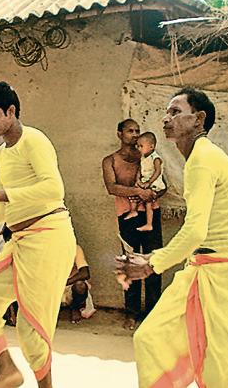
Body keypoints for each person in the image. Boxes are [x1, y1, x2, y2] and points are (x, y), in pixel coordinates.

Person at [117, 87, 228, 388]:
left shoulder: (203, 158)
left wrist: (152, 263)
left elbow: (195, 229)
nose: (166, 118)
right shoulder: (198, 158)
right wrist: (154, 260)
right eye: (167, 111)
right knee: (151, 339)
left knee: (222, 374)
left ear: (199, 119)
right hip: (204, 270)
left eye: (176, 112)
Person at [0, 81, 76, 388]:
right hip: (20, 240)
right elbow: (9, 211)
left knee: (31, 328)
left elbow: (54, 189)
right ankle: (7, 369)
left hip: (49, 236)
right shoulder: (2, 153)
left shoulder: (34, 140)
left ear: (11, 111)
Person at [102, 119, 163, 329]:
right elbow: (112, 188)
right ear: (119, 134)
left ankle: (153, 313)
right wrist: (139, 191)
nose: (135, 135)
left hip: (150, 214)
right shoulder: (110, 160)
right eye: (130, 131)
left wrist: (153, 193)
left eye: (137, 131)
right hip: (126, 215)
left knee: (154, 262)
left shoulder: (148, 157)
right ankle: (132, 312)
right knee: (130, 261)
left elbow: (163, 184)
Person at [125, 132, 166, 232]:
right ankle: (133, 211)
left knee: (148, 202)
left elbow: (158, 172)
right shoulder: (143, 158)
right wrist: (138, 179)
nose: (139, 148)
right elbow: (140, 170)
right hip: (144, 181)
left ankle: (149, 224)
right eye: (137, 146)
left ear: (151, 146)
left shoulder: (155, 158)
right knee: (133, 192)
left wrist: (149, 182)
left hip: (155, 183)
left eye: (141, 146)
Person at [60, 244, 95, 324]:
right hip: (51, 286)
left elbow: (85, 273)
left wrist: (64, 282)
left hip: (68, 285)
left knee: (80, 286)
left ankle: (75, 308)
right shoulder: (46, 248)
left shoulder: (74, 248)